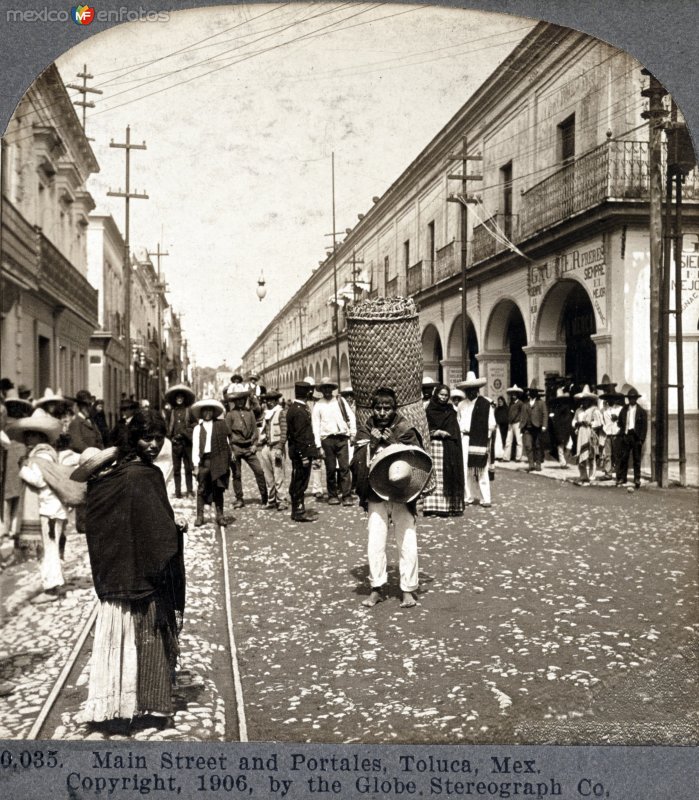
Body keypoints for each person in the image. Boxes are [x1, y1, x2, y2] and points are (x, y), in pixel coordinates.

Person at [75, 410, 186, 728]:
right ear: (133, 439)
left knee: (121, 637)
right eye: (146, 437)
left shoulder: (113, 476)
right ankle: (150, 705)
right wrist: (174, 532)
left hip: (117, 569)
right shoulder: (145, 475)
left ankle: (117, 705)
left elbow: (100, 519)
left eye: (158, 437)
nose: (153, 444)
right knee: (149, 633)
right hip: (144, 573)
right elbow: (156, 525)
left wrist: (167, 524)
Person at [353, 387, 430, 608]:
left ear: (394, 409)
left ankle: (408, 590)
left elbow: (417, 457)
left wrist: (394, 441)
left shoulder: (405, 428)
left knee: (407, 539)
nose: (382, 413)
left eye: (387, 408)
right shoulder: (366, 429)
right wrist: (374, 444)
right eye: (378, 408)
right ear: (373, 409)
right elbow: (357, 459)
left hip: (403, 493)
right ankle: (376, 587)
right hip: (375, 493)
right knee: (375, 541)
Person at [13, 411, 67, 603]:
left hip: (48, 510)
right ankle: (55, 583)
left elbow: (38, 480)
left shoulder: (41, 455)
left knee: (47, 551)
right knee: (49, 550)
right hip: (52, 509)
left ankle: (51, 589)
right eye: (26, 434)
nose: (28, 437)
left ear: (41, 436)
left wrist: (23, 469)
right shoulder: (47, 453)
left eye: (32, 434)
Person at [312, 377, 356, 506]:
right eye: (324, 388)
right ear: (322, 390)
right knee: (330, 469)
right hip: (327, 440)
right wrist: (318, 446)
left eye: (329, 388)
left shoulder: (340, 401)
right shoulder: (318, 405)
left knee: (344, 468)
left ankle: (346, 495)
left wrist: (353, 434)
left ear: (332, 389)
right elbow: (315, 426)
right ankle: (332, 495)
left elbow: (351, 417)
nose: (327, 390)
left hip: (342, 438)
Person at [423, 383, 464, 517]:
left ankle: (448, 506)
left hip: (449, 447)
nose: (443, 398)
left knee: (448, 473)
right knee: (435, 476)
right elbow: (425, 429)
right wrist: (437, 432)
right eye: (441, 394)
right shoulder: (429, 410)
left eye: (446, 395)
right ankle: (433, 506)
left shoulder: (450, 410)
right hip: (435, 446)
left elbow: (455, 428)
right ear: (436, 394)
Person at [456, 372, 496, 508]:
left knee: (482, 469)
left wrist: (487, 442)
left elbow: (491, 424)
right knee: (466, 468)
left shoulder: (485, 404)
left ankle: (486, 498)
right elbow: (458, 422)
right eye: (468, 390)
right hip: (465, 438)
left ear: (477, 390)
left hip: (480, 440)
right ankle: (469, 496)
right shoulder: (461, 405)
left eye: (473, 389)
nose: (471, 392)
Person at [191, 398, 231, 526]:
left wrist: (227, 459)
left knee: (218, 488)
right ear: (201, 413)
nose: (208, 413)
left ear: (213, 412)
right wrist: (196, 465)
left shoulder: (220, 425)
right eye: (205, 410)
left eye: (210, 410)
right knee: (201, 488)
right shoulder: (198, 428)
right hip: (205, 461)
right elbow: (195, 448)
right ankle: (200, 516)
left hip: (218, 459)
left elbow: (226, 443)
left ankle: (220, 515)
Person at [225, 390, 268, 508]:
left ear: (245, 400)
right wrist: (231, 451)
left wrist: (254, 444)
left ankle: (265, 497)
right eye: (237, 400)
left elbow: (255, 430)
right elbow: (227, 435)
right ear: (234, 402)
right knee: (237, 474)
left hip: (249, 447)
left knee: (259, 471)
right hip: (236, 447)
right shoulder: (230, 415)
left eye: (242, 400)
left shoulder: (250, 413)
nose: (240, 402)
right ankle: (239, 499)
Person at [286, 382, 319, 522]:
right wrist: (304, 455)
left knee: (299, 480)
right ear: (307, 393)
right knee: (300, 481)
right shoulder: (299, 410)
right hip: (301, 452)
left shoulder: (296, 408)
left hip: (300, 452)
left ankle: (298, 510)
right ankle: (298, 511)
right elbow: (299, 435)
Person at [165, 384, 196, 499]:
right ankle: (177, 491)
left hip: (187, 443)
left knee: (188, 468)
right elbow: (167, 427)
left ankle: (189, 490)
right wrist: (171, 437)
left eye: (181, 398)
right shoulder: (171, 412)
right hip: (176, 444)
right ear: (175, 399)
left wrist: (187, 432)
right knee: (176, 469)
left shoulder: (189, 411)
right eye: (177, 398)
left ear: (184, 399)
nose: (179, 399)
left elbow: (195, 424)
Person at [259, 389, 288, 510]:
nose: (269, 403)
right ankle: (271, 500)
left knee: (278, 475)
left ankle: (282, 500)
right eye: (267, 400)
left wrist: (280, 447)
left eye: (272, 400)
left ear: (276, 401)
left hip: (276, 447)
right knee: (268, 476)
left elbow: (284, 431)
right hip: (266, 446)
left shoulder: (281, 412)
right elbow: (265, 430)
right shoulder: (266, 413)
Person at [616, 387, 647, 490]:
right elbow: (620, 422)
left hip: (636, 437)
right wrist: (622, 433)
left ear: (636, 399)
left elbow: (644, 427)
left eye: (633, 398)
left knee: (636, 459)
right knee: (624, 458)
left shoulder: (641, 411)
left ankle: (637, 479)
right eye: (630, 398)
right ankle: (622, 478)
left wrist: (641, 439)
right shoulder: (624, 409)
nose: (631, 400)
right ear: (628, 399)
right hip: (626, 436)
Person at [573, 385, 604, 486]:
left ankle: (592, 475)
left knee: (591, 455)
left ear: (590, 400)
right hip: (581, 433)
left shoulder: (594, 410)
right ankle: (583, 475)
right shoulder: (578, 410)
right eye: (583, 400)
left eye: (586, 400)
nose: (584, 402)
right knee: (581, 455)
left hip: (590, 432)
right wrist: (576, 424)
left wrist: (590, 423)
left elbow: (599, 422)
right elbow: (573, 421)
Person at [520, 383, 548, 472]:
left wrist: (544, 425)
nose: (531, 393)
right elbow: (522, 416)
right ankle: (531, 464)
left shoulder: (541, 403)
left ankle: (538, 464)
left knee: (538, 446)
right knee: (528, 446)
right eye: (530, 391)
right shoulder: (525, 403)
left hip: (537, 427)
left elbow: (545, 414)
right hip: (527, 428)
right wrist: (521, 427)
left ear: (536, 393)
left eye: (533, 391)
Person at [548, 386, 574, 468]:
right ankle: (563, 462)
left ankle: (564, 461)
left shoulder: (567, 407)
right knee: (562, 446)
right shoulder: (557, 408)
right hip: (560, 429)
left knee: (567, 445)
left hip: (566, 429)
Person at [501, 385, 524, 462]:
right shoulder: (511, 403)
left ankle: (518, 457)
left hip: (517, 423)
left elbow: (521, 414)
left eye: (515, 394)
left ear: (517, 395)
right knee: (508, 441)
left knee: (518, 441)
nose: (513, 395)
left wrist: (520, 422)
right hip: (510, 423)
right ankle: (506, 457)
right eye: (512, 394)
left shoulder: (520, 403)